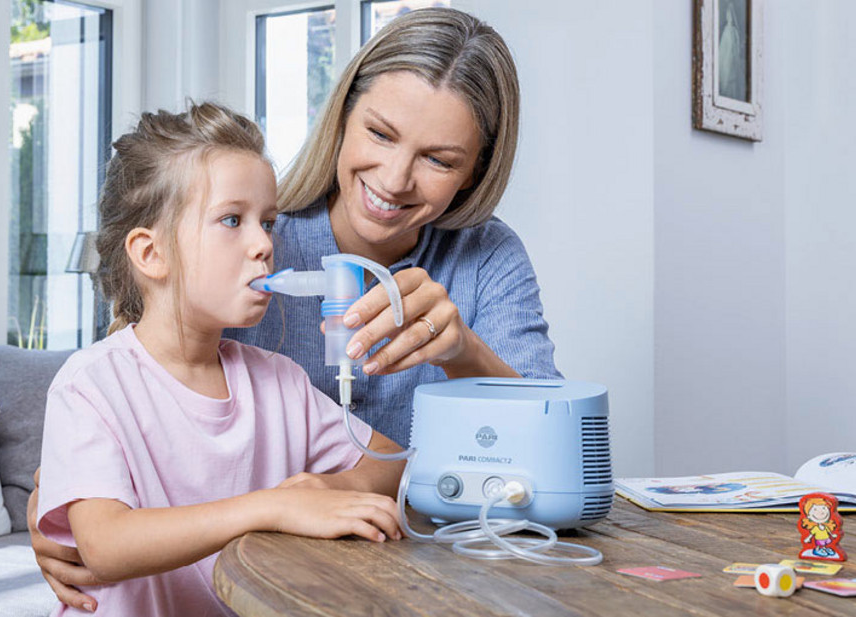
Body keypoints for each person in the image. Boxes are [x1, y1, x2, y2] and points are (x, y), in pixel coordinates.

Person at [33, 7, 561, 609]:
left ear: (474, 174)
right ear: (340, 118)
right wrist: (63, 502)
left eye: (439, 159)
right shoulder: (230, 266)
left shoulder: (281, 379)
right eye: (381, 134)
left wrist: (462, 355)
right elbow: (141, 384)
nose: (394, 177)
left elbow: (516, 459)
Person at [32, 102, 406, 616]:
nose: (264, 245)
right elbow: (106, 545)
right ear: (151, 253)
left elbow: (391, 462)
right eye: (232, 220)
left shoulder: (279, 381)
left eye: (267, 222)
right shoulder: (91, 385)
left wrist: (325, 488)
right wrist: (273, 507)